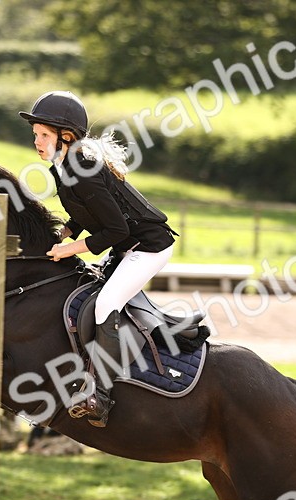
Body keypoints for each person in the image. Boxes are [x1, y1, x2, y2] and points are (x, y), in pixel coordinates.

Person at [20, 90, 178, 427]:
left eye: (43, 134)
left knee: (106, 304)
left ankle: (100, 396)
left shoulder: (84, 169)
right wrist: (64, 233)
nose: (37, 141)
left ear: (66, 136)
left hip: (148, 247)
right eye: (35, 134)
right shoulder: (62, 166)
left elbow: (117, 230)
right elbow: (85, 213)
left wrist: (69, 249)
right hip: (126, 245)